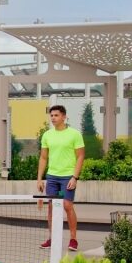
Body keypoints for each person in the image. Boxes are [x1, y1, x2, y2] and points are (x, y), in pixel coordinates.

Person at [37, 104, 85, 251]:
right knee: (51, 207)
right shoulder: (47, 135)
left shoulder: (74, 134)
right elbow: (43, 158)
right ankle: (52, 238)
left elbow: (81, 156)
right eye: (51, 115)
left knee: (66, 205)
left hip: (67, 177)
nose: (53, 118)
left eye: (56, 115)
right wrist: (40, 178)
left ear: (64, 116)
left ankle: (73, 239)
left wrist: (75, 177)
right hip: (52, 177)